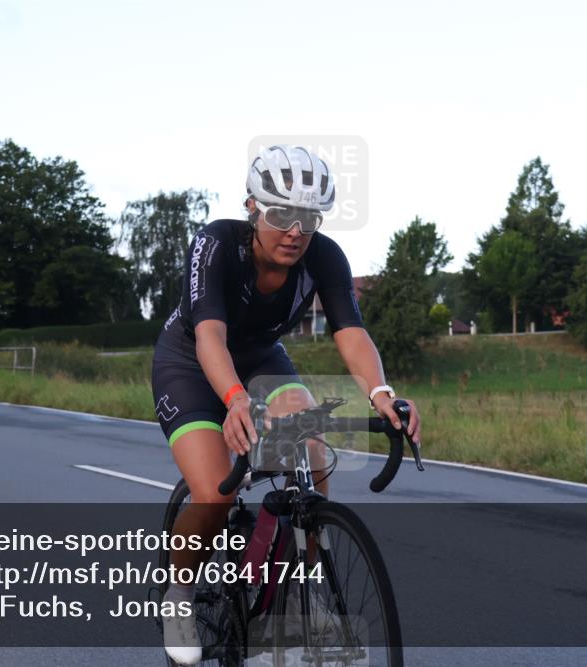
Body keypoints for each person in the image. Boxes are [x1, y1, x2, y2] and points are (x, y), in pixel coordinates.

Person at [151, 145, 422, 664]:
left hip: (260, 359)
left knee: (311, 443)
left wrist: (382, 393)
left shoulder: (324, 256)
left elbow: (351, 332)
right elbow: (209, 335)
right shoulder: (216, 243)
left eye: (309, 218)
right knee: (214, 493)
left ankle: (298, 587)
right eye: (280, 215)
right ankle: (178, 594)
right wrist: (233, 401)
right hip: (190, 360)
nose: (295, 231)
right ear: (251, 207)